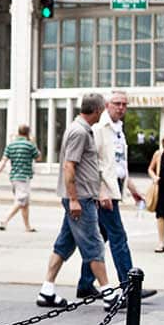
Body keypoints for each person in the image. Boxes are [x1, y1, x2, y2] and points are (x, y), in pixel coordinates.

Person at [37, 93, 112, 307]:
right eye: (102, 110)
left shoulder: (79, 129)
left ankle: (47, 290)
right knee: (94, 245)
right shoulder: (79, 132)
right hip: (80, 200)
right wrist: (74, 200)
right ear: (97, 110)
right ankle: (108, 293)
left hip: (81, 198)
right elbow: (69, 166)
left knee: (64, 245)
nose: (102, 114)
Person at [80, 91, 154, 299]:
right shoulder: (99, 129)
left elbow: (118, 164)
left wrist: (131, 188)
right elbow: (93, 164)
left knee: (101, 236)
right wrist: (101, 191)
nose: (121, 107)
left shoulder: (118, 130)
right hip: (104, 191)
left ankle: (85, 283)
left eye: (124, 104)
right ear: (106, 105)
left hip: (116, 186)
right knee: (118, 236)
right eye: (116, 103)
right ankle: (130, 286)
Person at [0, 125, 40, 232]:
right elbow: (38, 157)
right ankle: (3, 221)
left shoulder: (11, 145)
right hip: (24, 177)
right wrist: (33, 143)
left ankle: (27, 227)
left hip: (14, 177)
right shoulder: (29, 145)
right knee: (21, 200)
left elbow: (3, 161)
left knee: (25, 203)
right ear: (28, 133)